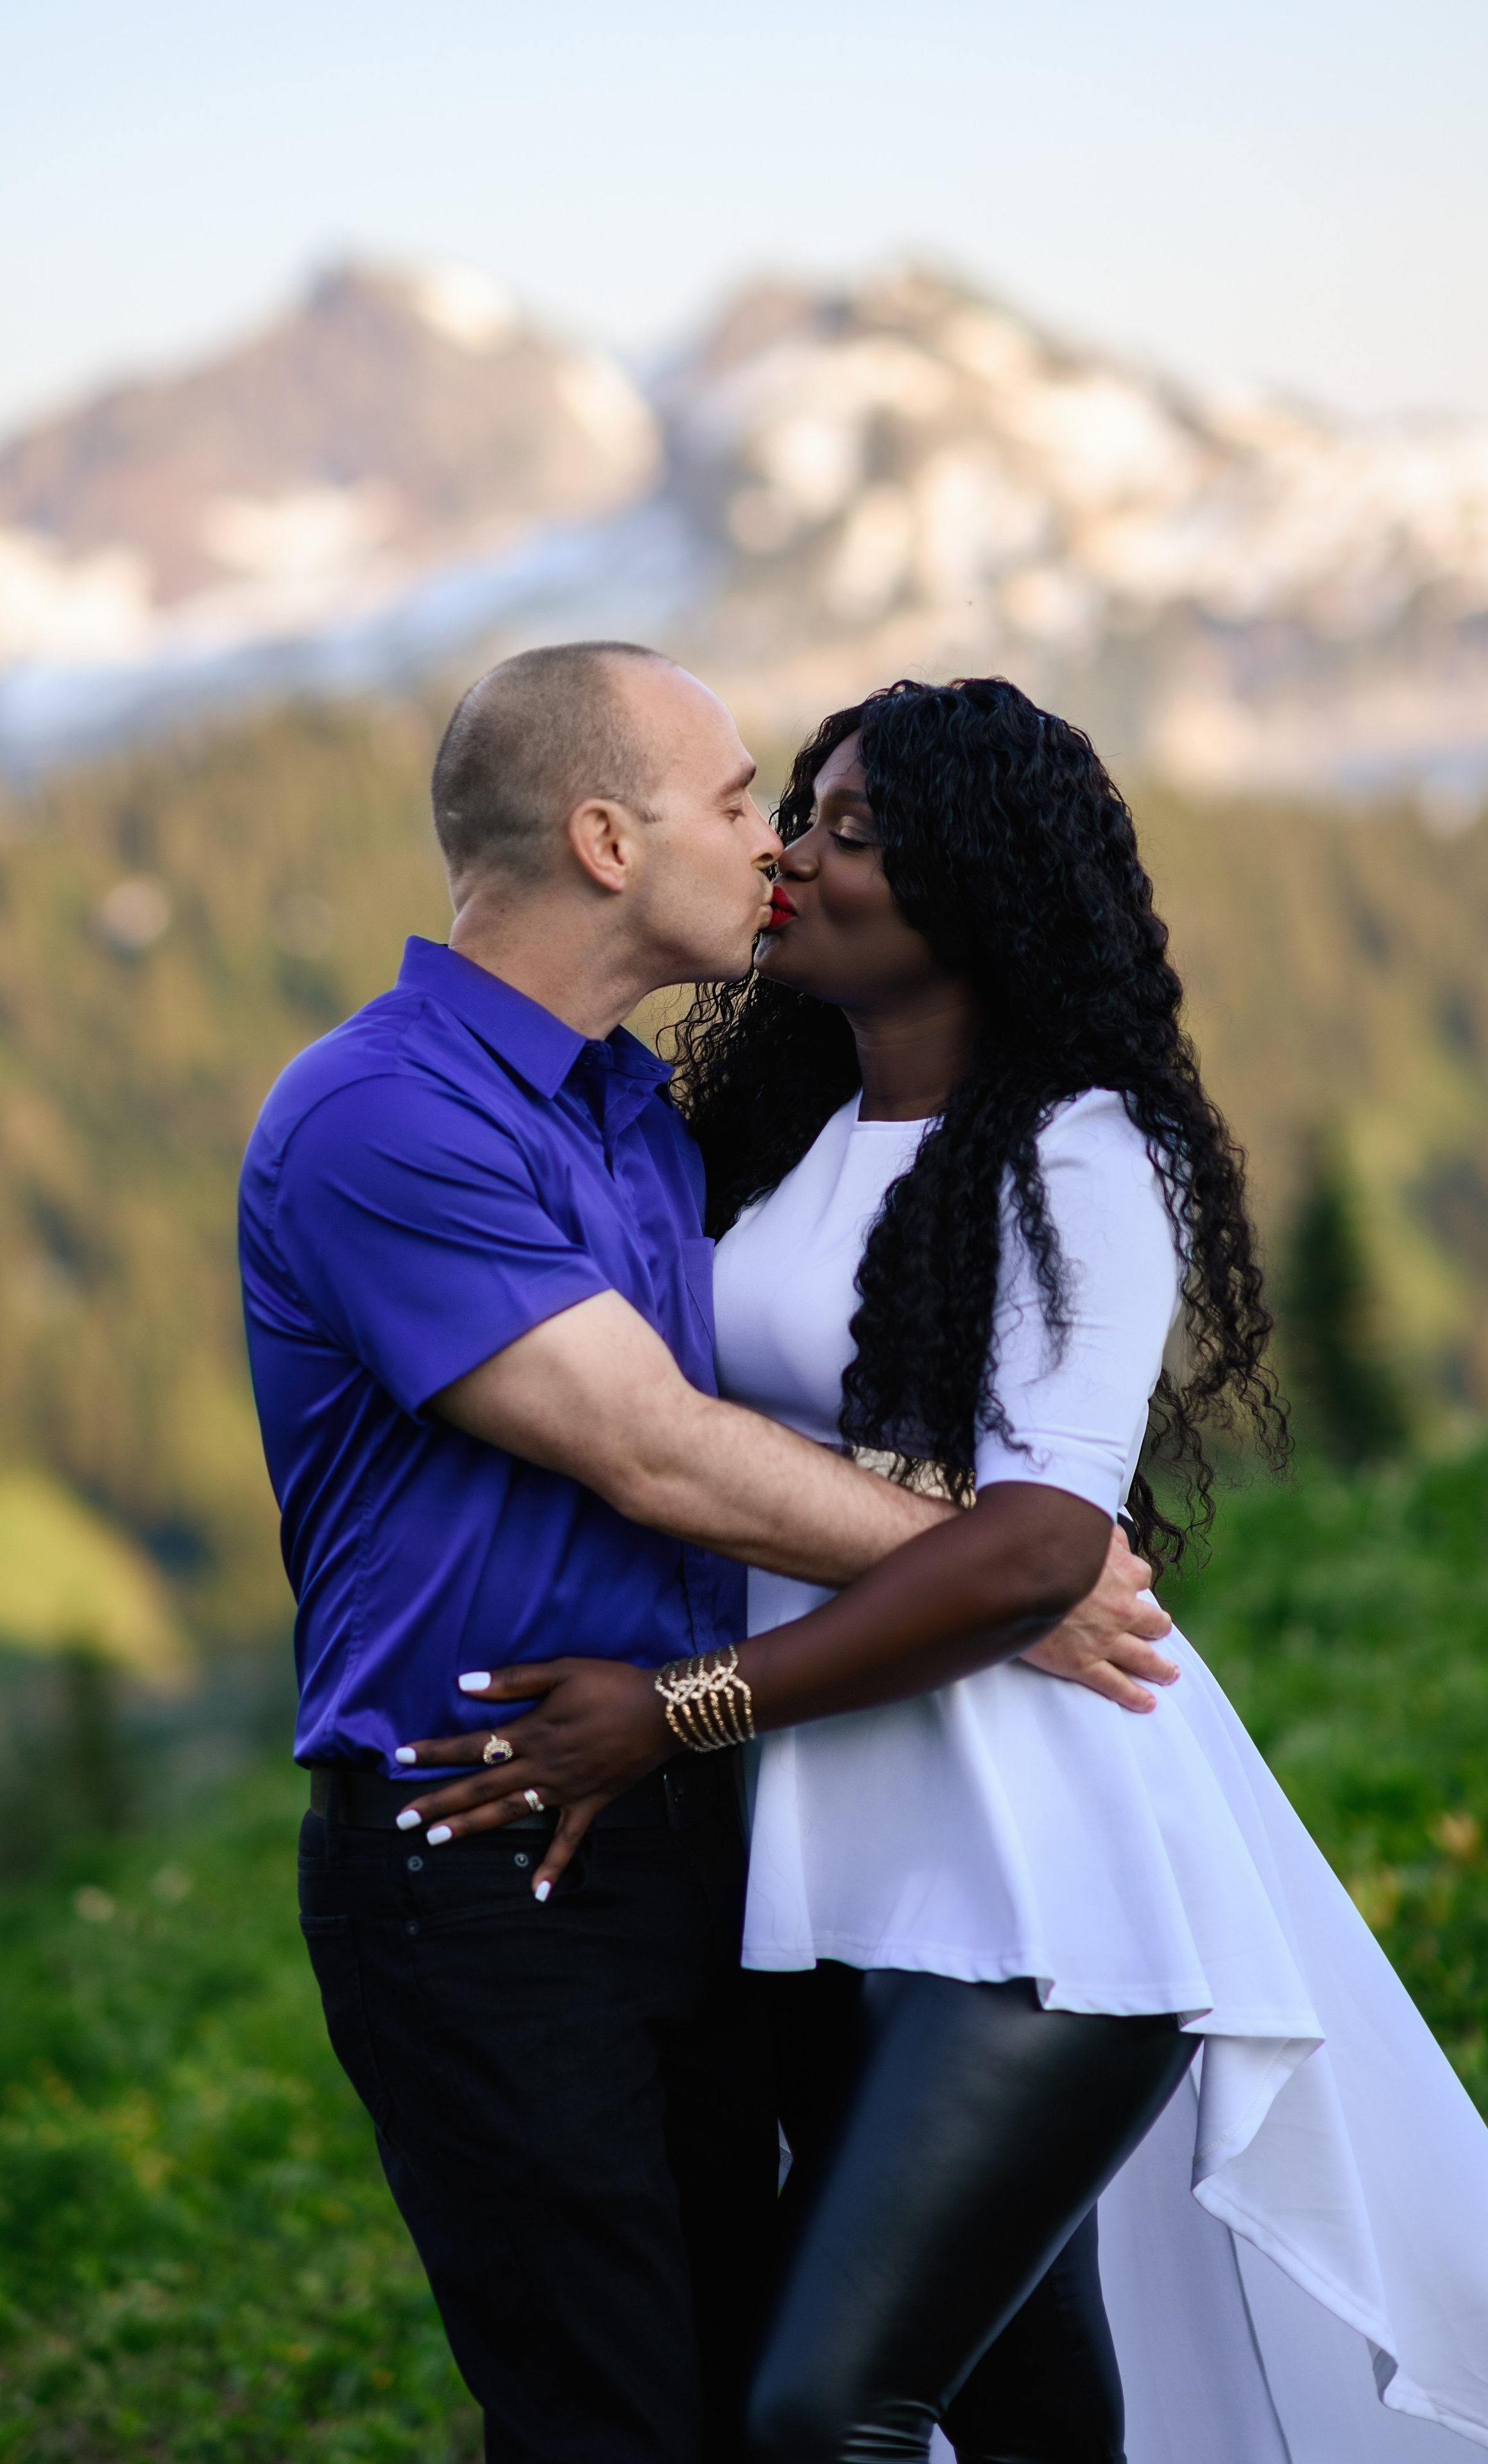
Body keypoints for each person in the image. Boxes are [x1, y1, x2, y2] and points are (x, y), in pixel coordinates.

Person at [468, 679, 1488, 2464]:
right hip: (831, 1865)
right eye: (799, 810)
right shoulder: (775, 1144)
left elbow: (1038, 1546)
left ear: (977, 888)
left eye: (853, 833)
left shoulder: (1085, 1151)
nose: (794, 856)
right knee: (1035, 2407)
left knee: (822, 2408)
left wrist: (681, 1710)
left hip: (1039, 1878)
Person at [239, 642, 1176, 2464]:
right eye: (748, 802)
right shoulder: (384, 1114)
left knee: (784, 2392)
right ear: (605, 835)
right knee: (617, 2419)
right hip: (487, 1842)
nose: (774, 846)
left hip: (713, 1835)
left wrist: (995, 1569)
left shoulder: (638, 1120)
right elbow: (652, 1445)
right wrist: (1012, 1572)